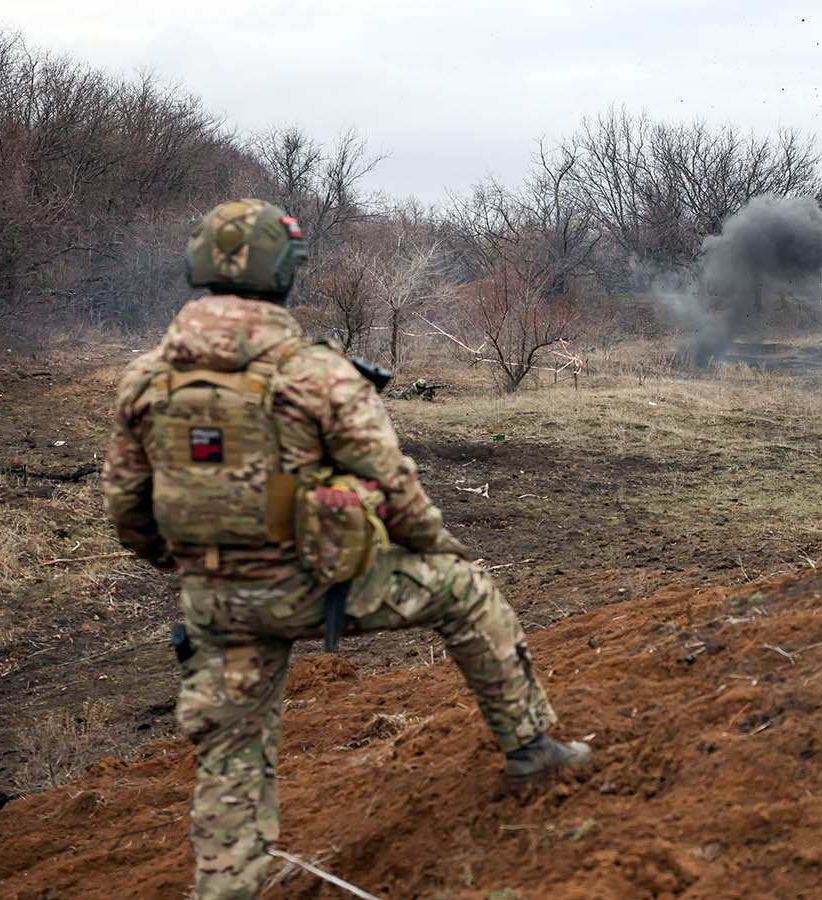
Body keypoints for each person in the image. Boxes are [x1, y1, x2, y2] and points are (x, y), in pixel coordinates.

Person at [100, 199, 590, 899]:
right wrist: (442, 551)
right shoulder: (316, 373)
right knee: (467, 592)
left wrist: (181, 564)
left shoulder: (146, 376)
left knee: (231, 765)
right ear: (283, 273)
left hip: (216, 600)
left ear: (198, 268)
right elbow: (392, 484)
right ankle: (533, 750)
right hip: (317, 585)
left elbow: (126, 506)